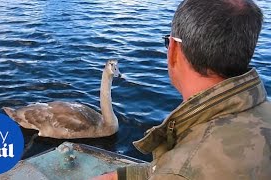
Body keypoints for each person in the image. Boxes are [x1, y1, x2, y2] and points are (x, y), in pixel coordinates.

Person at [94, 0, 271, 179]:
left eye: (167, 42)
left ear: (174, 50)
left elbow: (185, 169)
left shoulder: (183, 171)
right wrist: (126, 176)